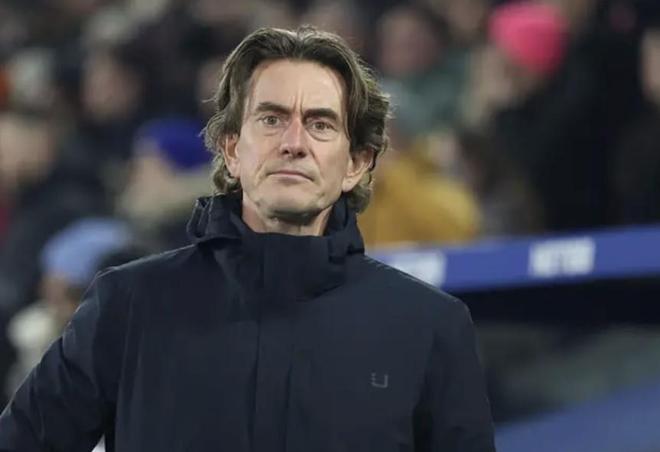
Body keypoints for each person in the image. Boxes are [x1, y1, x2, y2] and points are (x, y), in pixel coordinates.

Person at [0, 26, 495, 451]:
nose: (294, 143)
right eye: (271, 119)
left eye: (320, 124)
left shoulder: (429, 327)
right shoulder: (129, 305)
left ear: (356, 163)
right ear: (232, 149)